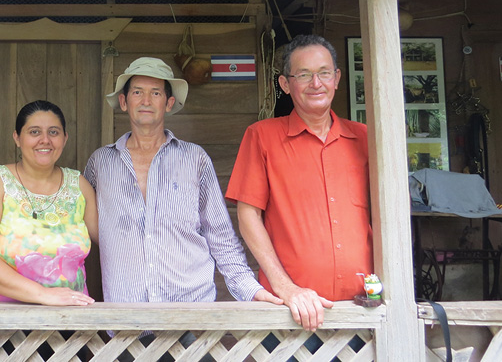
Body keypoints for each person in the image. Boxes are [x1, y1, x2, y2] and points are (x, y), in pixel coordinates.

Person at [84, 57, 284, 334]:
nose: (146, 100)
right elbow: (80, 231)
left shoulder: (194, 159)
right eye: (137, 92)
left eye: (156, 93)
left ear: (168, 103)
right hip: (125, 317)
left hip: (189, 315)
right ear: (123, 101)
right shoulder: (100, 163)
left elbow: (221, 235)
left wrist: (249, 289)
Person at [226, 34, 373, 333]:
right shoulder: (262, 136)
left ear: (337, 78)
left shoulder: (365, 138)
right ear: (285, 84)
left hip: (361, 307)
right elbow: (247, 215)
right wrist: (287, 288)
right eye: (304, 75)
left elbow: (388, 214)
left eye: (324, 73)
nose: (315, 83)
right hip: (289, 312)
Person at [0, 100, 98, 305]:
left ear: (65, 138)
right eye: (34, 132)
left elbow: (111, 241)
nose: (45, 140)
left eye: (53, 132)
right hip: (5, 323)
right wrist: (43, 295)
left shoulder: (79, 186)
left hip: (70, 322)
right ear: (17, 138)